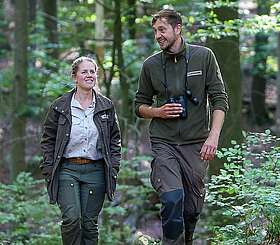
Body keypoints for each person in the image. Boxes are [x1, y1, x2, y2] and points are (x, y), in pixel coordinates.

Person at [134, 9, 228, 244]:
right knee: (171, 198)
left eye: (162, 29)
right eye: (155, 31)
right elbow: (138, 105)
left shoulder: (204, 56)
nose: (158, 35)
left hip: (196, 143)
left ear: (178, 29)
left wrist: (213, 137)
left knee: (191, 210)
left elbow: (219, 99)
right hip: (164, 142)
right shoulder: (151, 65)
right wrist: (158, 112)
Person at [40, 56, 122, 245]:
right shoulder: (60, 106)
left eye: (92, 71)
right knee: (72, 219)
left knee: (89, 223)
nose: (89, 75)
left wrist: (114, 167)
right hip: (67, 170)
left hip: (96, 171)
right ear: (74, 77)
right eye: (84, 71)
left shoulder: (106, 106)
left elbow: (115, 140)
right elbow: (48, 140)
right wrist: (48, 169)